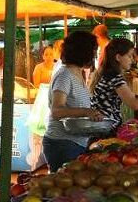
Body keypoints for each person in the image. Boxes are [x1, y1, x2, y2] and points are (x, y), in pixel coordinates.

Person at [43, 31, 103, 172]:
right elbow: (57, 111)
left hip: (75, 142)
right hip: (62, 143)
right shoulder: (65, 75)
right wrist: (87, 112)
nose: (95, 55)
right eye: (94, 51)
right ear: (84, 52)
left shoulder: (78, 73)